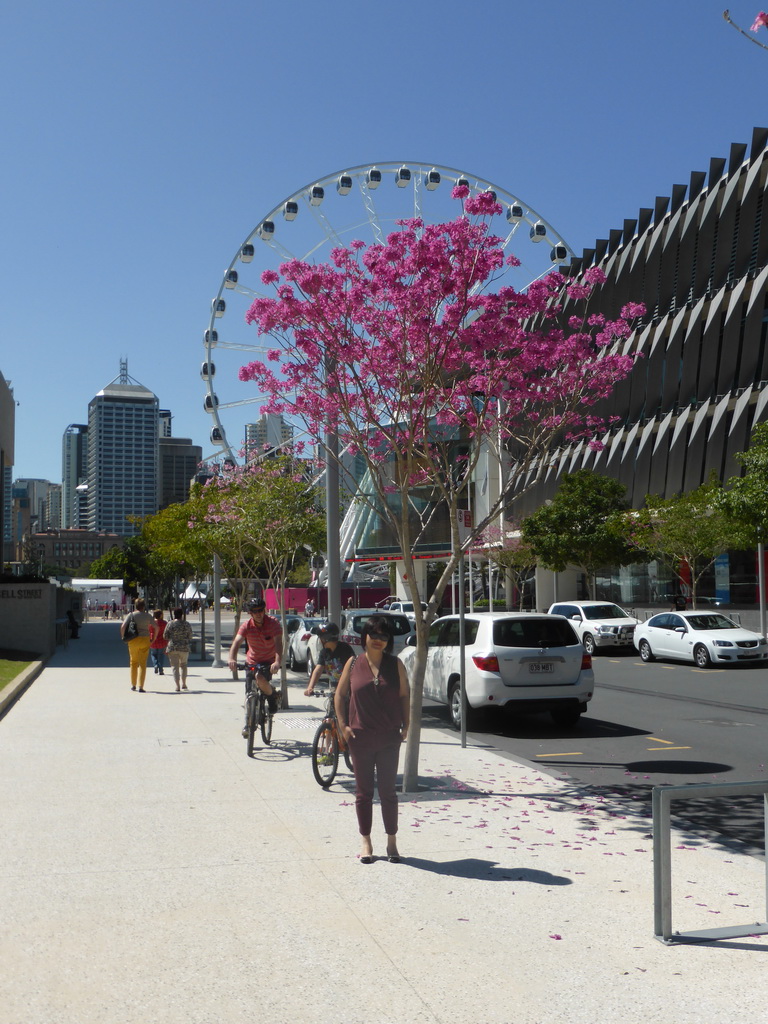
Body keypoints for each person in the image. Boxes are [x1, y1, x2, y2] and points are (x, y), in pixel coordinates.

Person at [334, 615, 410, 864]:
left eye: (384, 637)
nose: (379, 640)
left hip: (389, 737)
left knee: (388, 792)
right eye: (374, 635)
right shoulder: (353, 662)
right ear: (365, 637)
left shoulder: (396, 663)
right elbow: (340, 694)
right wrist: (343, 726)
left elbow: (404, 696)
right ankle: (365, 841)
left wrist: (407, 725)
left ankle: (392, 841)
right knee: (363, 793)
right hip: (360, 737)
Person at [228, 598, 282, 729]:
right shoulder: (246, 625)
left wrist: (277, 662)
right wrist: (231, 659)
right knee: (249, 693)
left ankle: (272, 697)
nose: (258, 614)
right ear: (250, 613)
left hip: (267, 662)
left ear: (264, 610)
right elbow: (236, 643)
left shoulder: (273, 623)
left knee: (260, 678)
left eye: (260, 610)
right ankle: (248, 722)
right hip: (252, 661)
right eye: (254, 611)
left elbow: (279, 644)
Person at [304, 623, 354, 696]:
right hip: (334, 686)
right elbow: (318, 670)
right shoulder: (324, 652)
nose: (320, 641)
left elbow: (353, 668)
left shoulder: (345, 649)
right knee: (332, 703)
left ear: (326, 638)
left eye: (321, 638)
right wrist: (310, 687)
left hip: (348, 687)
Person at [121, 598, 153, 692]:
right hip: (145, 639)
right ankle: (141, 686)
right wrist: (153, 638)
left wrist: (123, 637)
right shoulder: (148, 616)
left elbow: (123, 626)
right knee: (142, 664)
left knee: (133, 662)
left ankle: (133, 685)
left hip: (133, 640)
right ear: (144, 606)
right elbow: (156, 627)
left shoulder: (131, 615)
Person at [164, 608, 194, 691]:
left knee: (175, 667)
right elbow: (190, 636)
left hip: (173, 647)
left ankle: (177, 686)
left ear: (174, 614)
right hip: (184, 647)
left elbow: (165, 636)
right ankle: (184, 684)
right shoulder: (186, 624)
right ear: (182, 615)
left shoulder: (170, 624)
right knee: (184, 665)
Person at [149, 609, 168, 676]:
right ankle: (161, 669)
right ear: (161, 615)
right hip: (162, 641)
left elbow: (149, 631)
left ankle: (155, 665)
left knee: (153, 654)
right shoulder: (164, 623)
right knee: (161, 655)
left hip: (153, 641)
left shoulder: (151, 623)